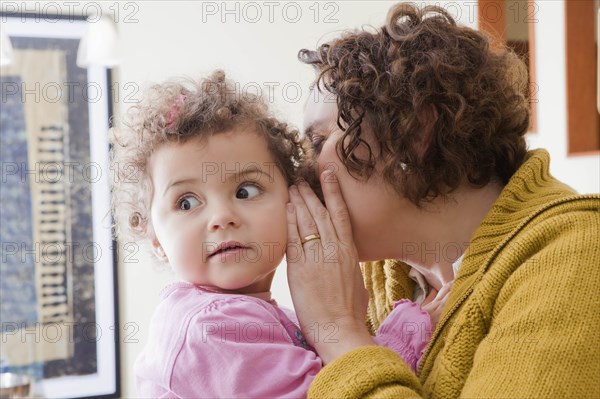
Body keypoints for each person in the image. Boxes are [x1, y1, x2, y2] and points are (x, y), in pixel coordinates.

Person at [285, 3, 600, 398]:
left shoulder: (578, 255)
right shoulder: (378, 278)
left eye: (317, 143)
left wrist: (338, 331)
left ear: (417, 132)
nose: (300, 174)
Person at [110, 70, 440, 398]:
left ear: (293, 197)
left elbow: (346, 380)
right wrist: (408, 331)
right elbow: (335, 388)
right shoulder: (209, 329)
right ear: (156, 241)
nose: (222, 218)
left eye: (245, 191)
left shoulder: (271, 318)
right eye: (186, 202)